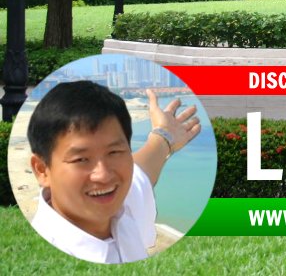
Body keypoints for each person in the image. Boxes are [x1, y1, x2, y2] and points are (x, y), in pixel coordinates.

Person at [27, 81, 201, 264]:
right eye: (81, 159)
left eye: (114, 152)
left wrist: (165, 135)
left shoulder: (121, 205)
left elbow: (142, 171)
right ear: (42, 170)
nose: (103, 175)